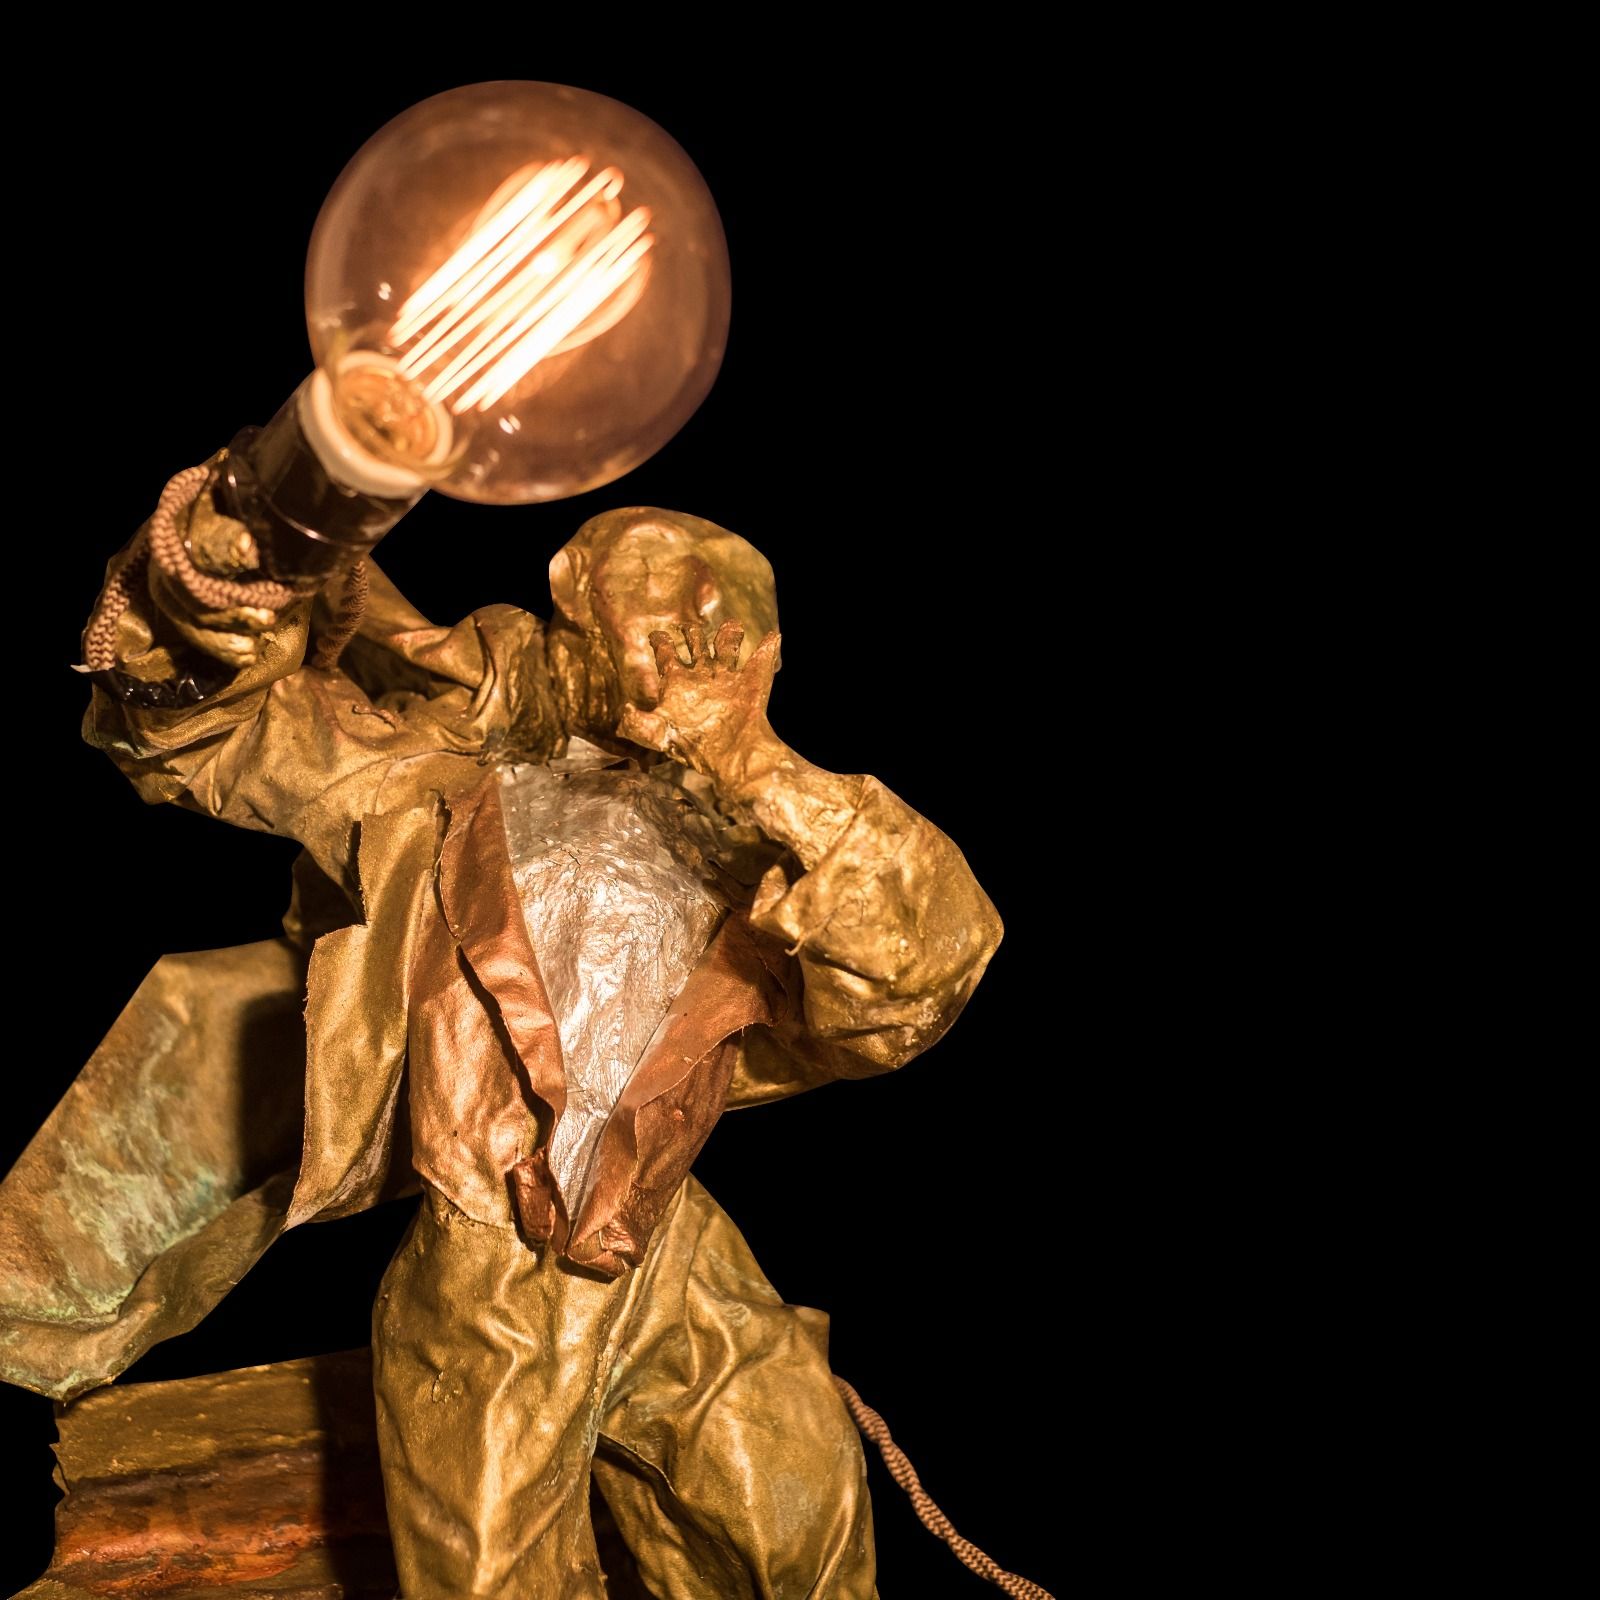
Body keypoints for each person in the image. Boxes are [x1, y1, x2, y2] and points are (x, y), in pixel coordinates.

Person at [0, 459, 1003, 1599]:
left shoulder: (762, 854)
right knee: (492, 1575)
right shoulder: (437, 779)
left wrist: (753, 763)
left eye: (725, 633)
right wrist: (209, 588)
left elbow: (917, 985)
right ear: (578, 610)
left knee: (798, 1525)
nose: (688, 648)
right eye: (660, 614)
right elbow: (201, 733)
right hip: (490, 1274)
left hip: (668, 1251)